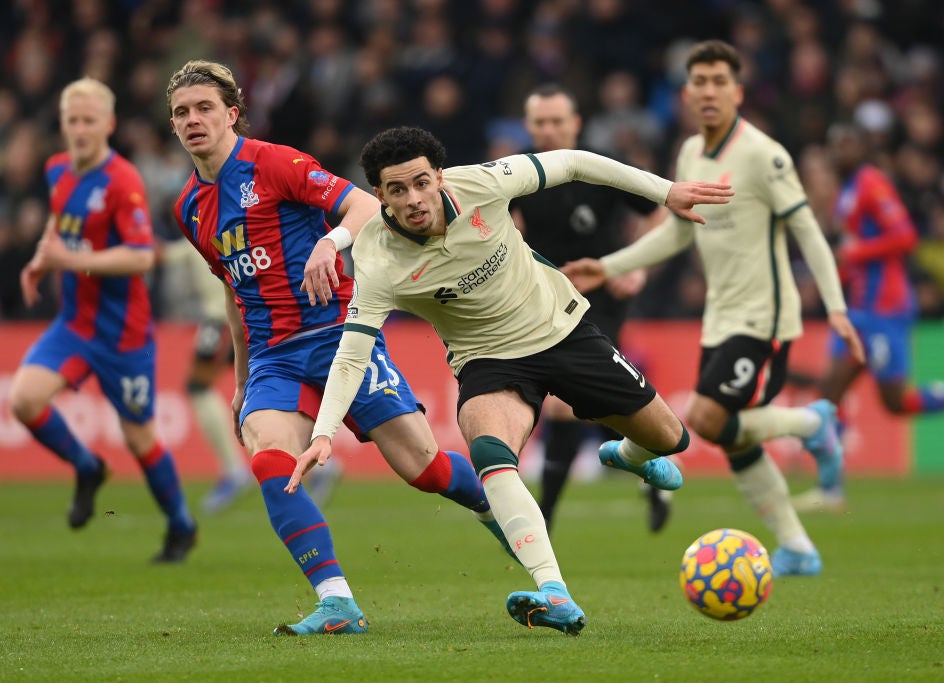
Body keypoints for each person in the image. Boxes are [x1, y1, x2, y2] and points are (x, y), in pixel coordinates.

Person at [289, 125, 734, 636]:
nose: (412, 199)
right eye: (396, 190)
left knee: (670, 438)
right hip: (489, 361)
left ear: (439, 177)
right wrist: (324, 431)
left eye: (420, 183)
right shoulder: (377, 258)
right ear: (379, 195)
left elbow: (573, 162)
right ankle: (555, 592)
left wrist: (666, 191)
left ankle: (626, 455)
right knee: (489, 451)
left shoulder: (483, 182)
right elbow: (352, 352)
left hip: (562, 329)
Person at [165, 60, 511, 636]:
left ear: (232, 114)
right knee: (272, 459)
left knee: (422, 468)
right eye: (181, 112)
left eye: (204, 108)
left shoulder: (273, 162)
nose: (192, 119)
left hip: (337, 336)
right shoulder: (188, 208)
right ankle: (337, 602)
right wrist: (243, 378)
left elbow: (366, 206)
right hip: (274, 355)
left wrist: (330, 242)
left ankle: (504, 512)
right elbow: (234, 290)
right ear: (173, 127)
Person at [562, 40, 866, 577]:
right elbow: (679, 235)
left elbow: (808, 233)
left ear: (737, 91)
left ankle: (805, 423)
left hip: (764, 317)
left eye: (719, 81)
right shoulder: (688, 155)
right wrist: (608, 267)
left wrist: (837, 306)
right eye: (699, 81)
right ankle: (797, 546)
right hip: (721, 318)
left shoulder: (764, 154)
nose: (708, 91)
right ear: (685, 93)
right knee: (733, 433)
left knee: (705, 416)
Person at [9, 77, 197, 563]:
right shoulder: (57, 171)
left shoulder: (123, 181)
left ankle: (181, 524)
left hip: (123, 333)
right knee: (24, 400)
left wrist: (71, 260)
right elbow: (58, 223)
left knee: (139, 438)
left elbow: (140, 257)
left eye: (89, 120)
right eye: (72, 120)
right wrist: (40, 259)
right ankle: (87, 466)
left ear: (108, 124)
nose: (80, 129)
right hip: (74, 323)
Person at [511, 83, 671, 534]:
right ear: (528, 126)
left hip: (599, 298)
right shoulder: (516, 173)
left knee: (565, 403)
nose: (548, 129)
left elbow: (659, 208)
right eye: (539, 122)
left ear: (575, 123)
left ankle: (544, 519)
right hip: (544, 299)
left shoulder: (600, 168)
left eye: (556, 121)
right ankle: (651, 476)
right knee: (596, 405)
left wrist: (635, 264)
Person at [793, 123, 943, 513]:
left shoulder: (871, 182)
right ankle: (830, 489)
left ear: (860, 148)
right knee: (828, 391)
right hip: (858, 310)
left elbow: (906, 236)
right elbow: (853, 256)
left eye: (846, 143)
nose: (839, 150)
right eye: (835, 143)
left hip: (885, 309)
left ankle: (831, 490)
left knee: (895, 402)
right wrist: (837, 275)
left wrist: (854, 254)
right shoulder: (847, 192)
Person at [165, 240, 342, 514]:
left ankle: (235, 470)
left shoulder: (208, 215)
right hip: (249, 315)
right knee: (269, 390)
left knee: (202, 387)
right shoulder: (226, 216)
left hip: (225, 318)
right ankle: (318, 463)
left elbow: (179, 253)